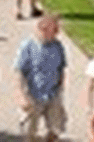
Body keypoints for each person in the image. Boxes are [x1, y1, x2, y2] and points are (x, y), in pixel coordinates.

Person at [15, 13, 67, 142]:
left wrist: (60, 90)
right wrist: (21, 95)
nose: (58, 32)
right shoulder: (28, 46)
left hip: (53, 94)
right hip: (33, 95)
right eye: (54, 29)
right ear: (43, 29)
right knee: (29, 132)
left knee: (57, 128)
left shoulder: (58, 46)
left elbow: (61, 68)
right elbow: (19, 72)